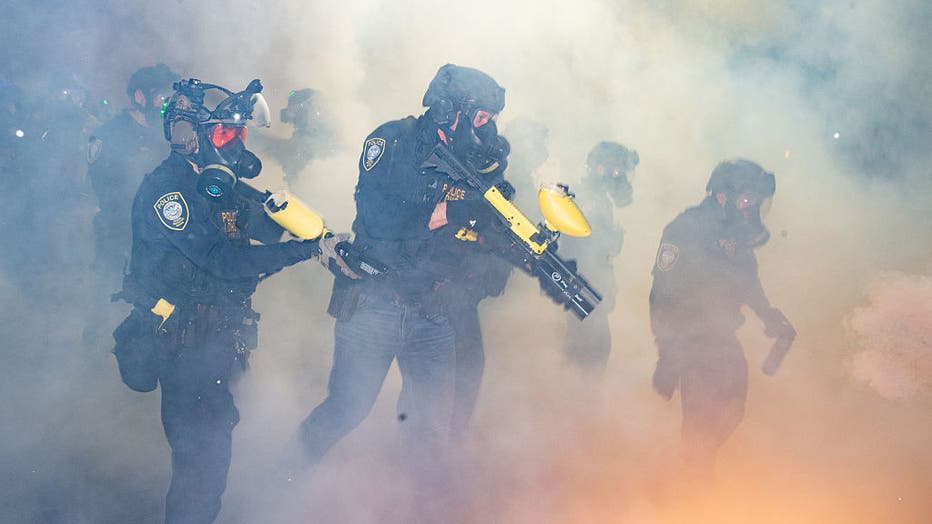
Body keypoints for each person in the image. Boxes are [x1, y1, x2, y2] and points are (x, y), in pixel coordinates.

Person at [115, 76, 349, 524]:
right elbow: (223, 261)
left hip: (218, 342)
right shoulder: (169, 191)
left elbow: (261, 228)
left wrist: (317, 234)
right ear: (189, 138)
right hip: (182, 346)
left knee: (212, 458)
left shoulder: (218, 184)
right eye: (224, 133)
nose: (236, 144)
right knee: (199, 470)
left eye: (240, 133)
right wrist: (308, 250)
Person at [289, 63, 506, 516]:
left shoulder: (471, 158)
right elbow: (385, 221)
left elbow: (481, 225)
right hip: (376, 304)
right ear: (451, 111)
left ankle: (420, 511)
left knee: (429, 427)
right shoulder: (392, 141)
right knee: (347, 408)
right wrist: (460, 209)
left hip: (433, 309)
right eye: (481, 117)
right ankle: (285, 479)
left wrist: (491, 220)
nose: (486, 128)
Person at [648, 158, 796, 476]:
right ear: (722, 197)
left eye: (756, 201)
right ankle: (688, 490)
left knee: (732, 411)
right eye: (747, 200)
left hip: (722, 337)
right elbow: (661, 294)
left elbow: (746, 279)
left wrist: (767, 314)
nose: (751, 208)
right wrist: (668, 354)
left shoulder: (734, 233)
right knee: (700, 426)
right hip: (690, 342)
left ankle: (682, 467)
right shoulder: (685, 229)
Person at [84, 63, 181, 350]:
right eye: (162, 98)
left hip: (162, 233)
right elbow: (106, 188)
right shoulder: (109, 134)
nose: (167, 105)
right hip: (120, 229)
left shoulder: (169, 134)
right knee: (109, 286)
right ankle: (97, 345)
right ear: (140, 97)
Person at [558, 141, 639, 374]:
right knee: (589, 354)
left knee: (590, 352)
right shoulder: (586, 198)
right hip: (583, 290)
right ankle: (578, 406)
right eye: (617, 172)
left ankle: (578, 403)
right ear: (601, 169)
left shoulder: (593, 197)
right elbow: (585, 247)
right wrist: (613, 239)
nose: (620, 178)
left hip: (588, 290)